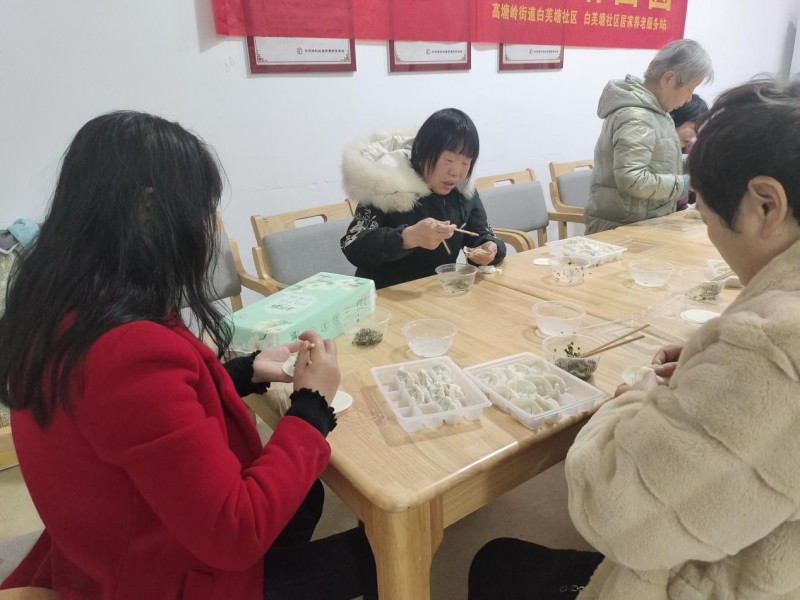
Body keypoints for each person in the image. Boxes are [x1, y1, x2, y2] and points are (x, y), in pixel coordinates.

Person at [0, 111, 376, 600]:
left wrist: (245, 370)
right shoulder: (124, 352)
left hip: (107, 537)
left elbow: (145, 420)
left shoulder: (61, 305)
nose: (205, 229)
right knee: (376, 554)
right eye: (200, 212)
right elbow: (235, 532)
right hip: (157, 579)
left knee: (305, 495)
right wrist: (312, 406)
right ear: (148, 211)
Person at [469, 77, 800, 599]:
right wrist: (709, 360)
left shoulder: (771, 347)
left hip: (725, 581)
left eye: (706, 213)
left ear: (766, 206)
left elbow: (614, 515)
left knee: (495, 564)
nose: (709, 232)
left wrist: (634, 402)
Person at [340, 107, 506, 289]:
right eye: (449, 160)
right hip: (385, 294)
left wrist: (489, 248)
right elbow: (353, 245)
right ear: (423, 152)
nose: (456, 172)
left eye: (466, 163)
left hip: (436, 291)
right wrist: (408, 237)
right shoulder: (386, 183)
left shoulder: (463, 191)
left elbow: (480, 233)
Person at [584, 39, 713, 234]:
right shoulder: (636, 116)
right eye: (690, 89)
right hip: (620, 229)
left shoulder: (656, 112)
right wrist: (687, 184)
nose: (689, 98)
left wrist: (697, 162)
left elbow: (661, 161)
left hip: (641, 223)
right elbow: (633, 179)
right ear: (668, 79)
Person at [671, 93, 708, 209]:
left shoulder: (692, 149)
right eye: (691, 127)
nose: (692, 134)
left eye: (697, 129)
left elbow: (694, 196)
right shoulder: (657, 148)